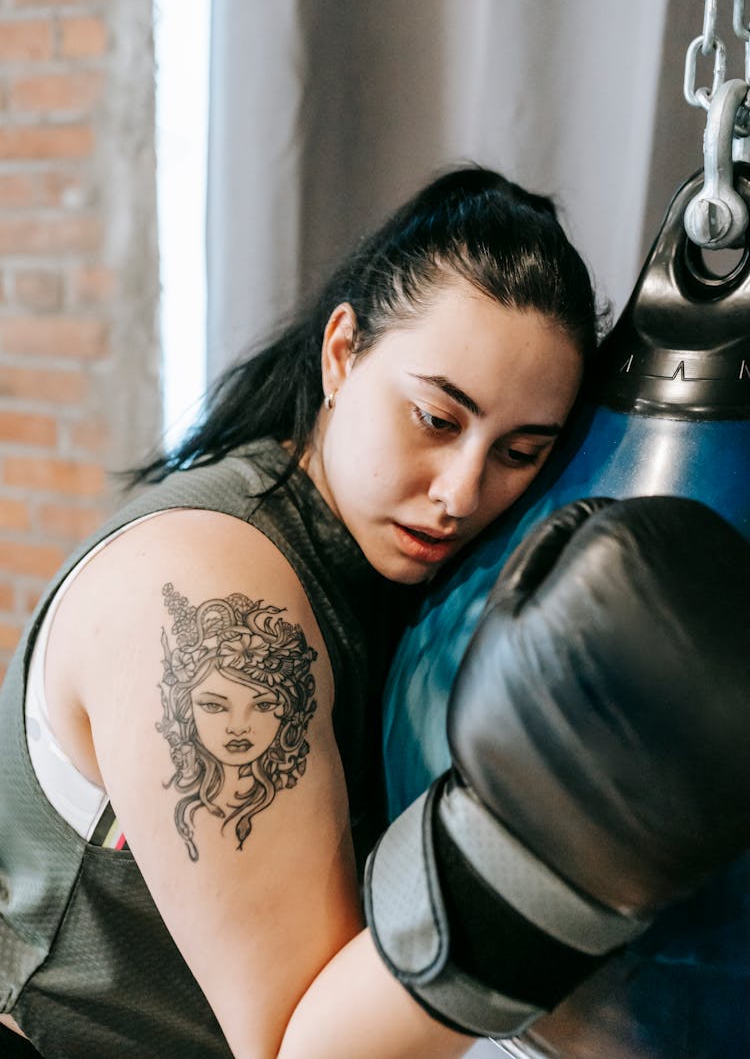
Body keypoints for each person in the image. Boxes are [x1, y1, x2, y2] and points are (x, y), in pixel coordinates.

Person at [0, 166, 600, 1058]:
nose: (463, 491)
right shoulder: (210, 593)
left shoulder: (393, 575)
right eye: (436, 418)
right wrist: (576, 860)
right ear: (342, 352)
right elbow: (295, 1048)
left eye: (519, 452)